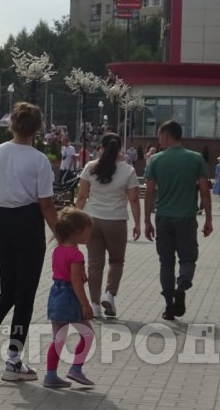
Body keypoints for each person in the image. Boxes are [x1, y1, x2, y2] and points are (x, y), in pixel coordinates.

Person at [0, 102, 58, 381]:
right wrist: (61, 235)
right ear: (36, 129)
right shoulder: (39, 160)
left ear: (12, 125)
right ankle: (14, 361)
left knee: (7, 291)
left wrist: (5, 192)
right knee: (25, 295)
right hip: (29, 225)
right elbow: (46, 203)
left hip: (3, 223)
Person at [144, 120, 213, 322]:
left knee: (166, 262)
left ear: (166, 135)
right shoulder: (196, 158)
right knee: (188, 258)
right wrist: (208, 219)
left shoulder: (155, 160)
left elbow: (149, 192)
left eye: (159, 135)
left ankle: (168, 305)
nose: (158, 139)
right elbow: (204, 191)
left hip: (163, 217)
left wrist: (147, 220)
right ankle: (182, 286)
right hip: (187, 217)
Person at [74, 133, 141, 319]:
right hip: (116, 221)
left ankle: (95, 305)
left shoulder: (90, 167)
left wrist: (74, 220)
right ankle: (109, 294)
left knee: (95, 264)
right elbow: (134, 199)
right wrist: (138, 223)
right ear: (120, 149)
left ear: (101, 147)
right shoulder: (128, 170)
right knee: (116, 261)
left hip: (92, 220)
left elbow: (82, 196)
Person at [43, 208, 96, 389]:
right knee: (88, 334)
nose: (90, 234)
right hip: (70, 297)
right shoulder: (76, 254)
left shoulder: (57, 250)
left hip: (55, 295)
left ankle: (51, 375)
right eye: (88, 230)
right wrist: (86, 304)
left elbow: (65, 273)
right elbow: (75, 282)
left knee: (58, 338)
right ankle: (76, 368)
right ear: (77, 231)